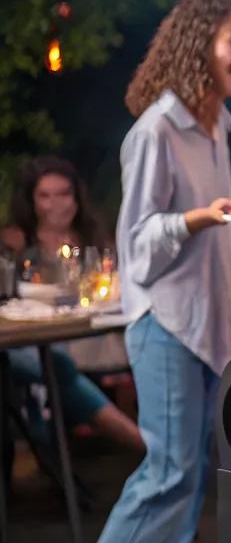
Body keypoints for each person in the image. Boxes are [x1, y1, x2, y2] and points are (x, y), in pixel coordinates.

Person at [34, 0, 231, 543]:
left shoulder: (217, 127)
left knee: (188, 486)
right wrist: (193, 219)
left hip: (211, 327)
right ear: (199, 47)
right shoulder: (156, 131)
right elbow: (138, 247)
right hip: (166, 326)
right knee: (164, 475)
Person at [3, 157, 143, 454]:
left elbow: (113, 287)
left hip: (91, 332)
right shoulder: (17, 244)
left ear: (76, 197)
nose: (56, 204)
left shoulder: (94, 239)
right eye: (45, 195)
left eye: (63, 193)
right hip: (33, 336)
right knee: (56, 361)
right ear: (32, 200)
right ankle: (143, 445)